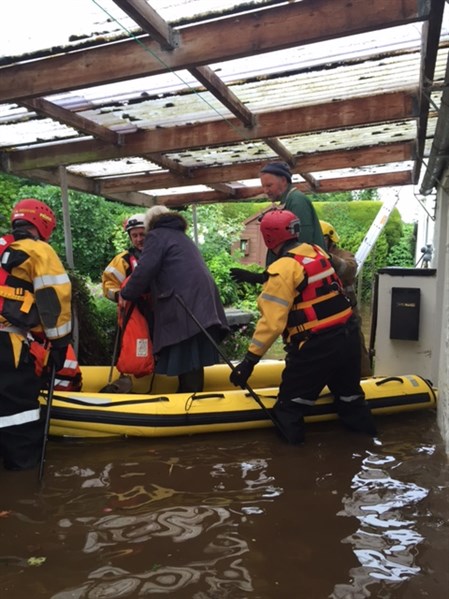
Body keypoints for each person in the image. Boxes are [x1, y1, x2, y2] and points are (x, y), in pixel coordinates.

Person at [229, 209, 377, 445]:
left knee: (288, 410)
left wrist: (248, 363)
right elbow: (305, 282)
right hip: (348, 338)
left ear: (269, 237)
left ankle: (293, 473)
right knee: (351, 401)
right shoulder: (316, 252)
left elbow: (271, 323)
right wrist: (261, 278)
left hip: (316, 346)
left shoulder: (283, 268)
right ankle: (367, 451)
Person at [120, 206, 230, 393]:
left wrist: (125, 294)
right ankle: (192, 395)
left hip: (184, 304)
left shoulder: (156, 236)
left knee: (187, 354)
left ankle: (189, 400)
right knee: (193, 356)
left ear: (149, 225)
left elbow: (145, 270)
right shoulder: (180, 236)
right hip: (202, 302)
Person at [0, 198, 72, 470]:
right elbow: (54, 302)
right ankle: (25, 477)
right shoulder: (38, 251)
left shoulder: (3, 248)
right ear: (43, 225)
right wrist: (60, 345)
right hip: (8, 344)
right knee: (19, 413)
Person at [231, 161, 325, 285]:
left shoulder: (297, 201)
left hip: (303, 282)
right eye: (263, 186)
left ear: (283, 181)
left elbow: (302, 246)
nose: (266, 190)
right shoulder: (286, 202)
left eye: (269, 185)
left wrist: (263, 277)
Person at [102, 213, 151, 392]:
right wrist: (119, 296)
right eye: (134, 235)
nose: (139, 239)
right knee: (131, 350)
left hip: (159, 314)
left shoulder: (160, 256)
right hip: (134, 315)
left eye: (142, 234)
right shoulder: (123, 260)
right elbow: (108, 285)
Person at [320, 220, 373, 377]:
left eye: (322, 238)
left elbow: (349, 269)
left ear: (330, 239)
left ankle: (364, 376)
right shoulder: (311, 256)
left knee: (356, 345)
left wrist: (329, 259)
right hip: (323, 314)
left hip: (348, 312)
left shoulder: (343, 256)